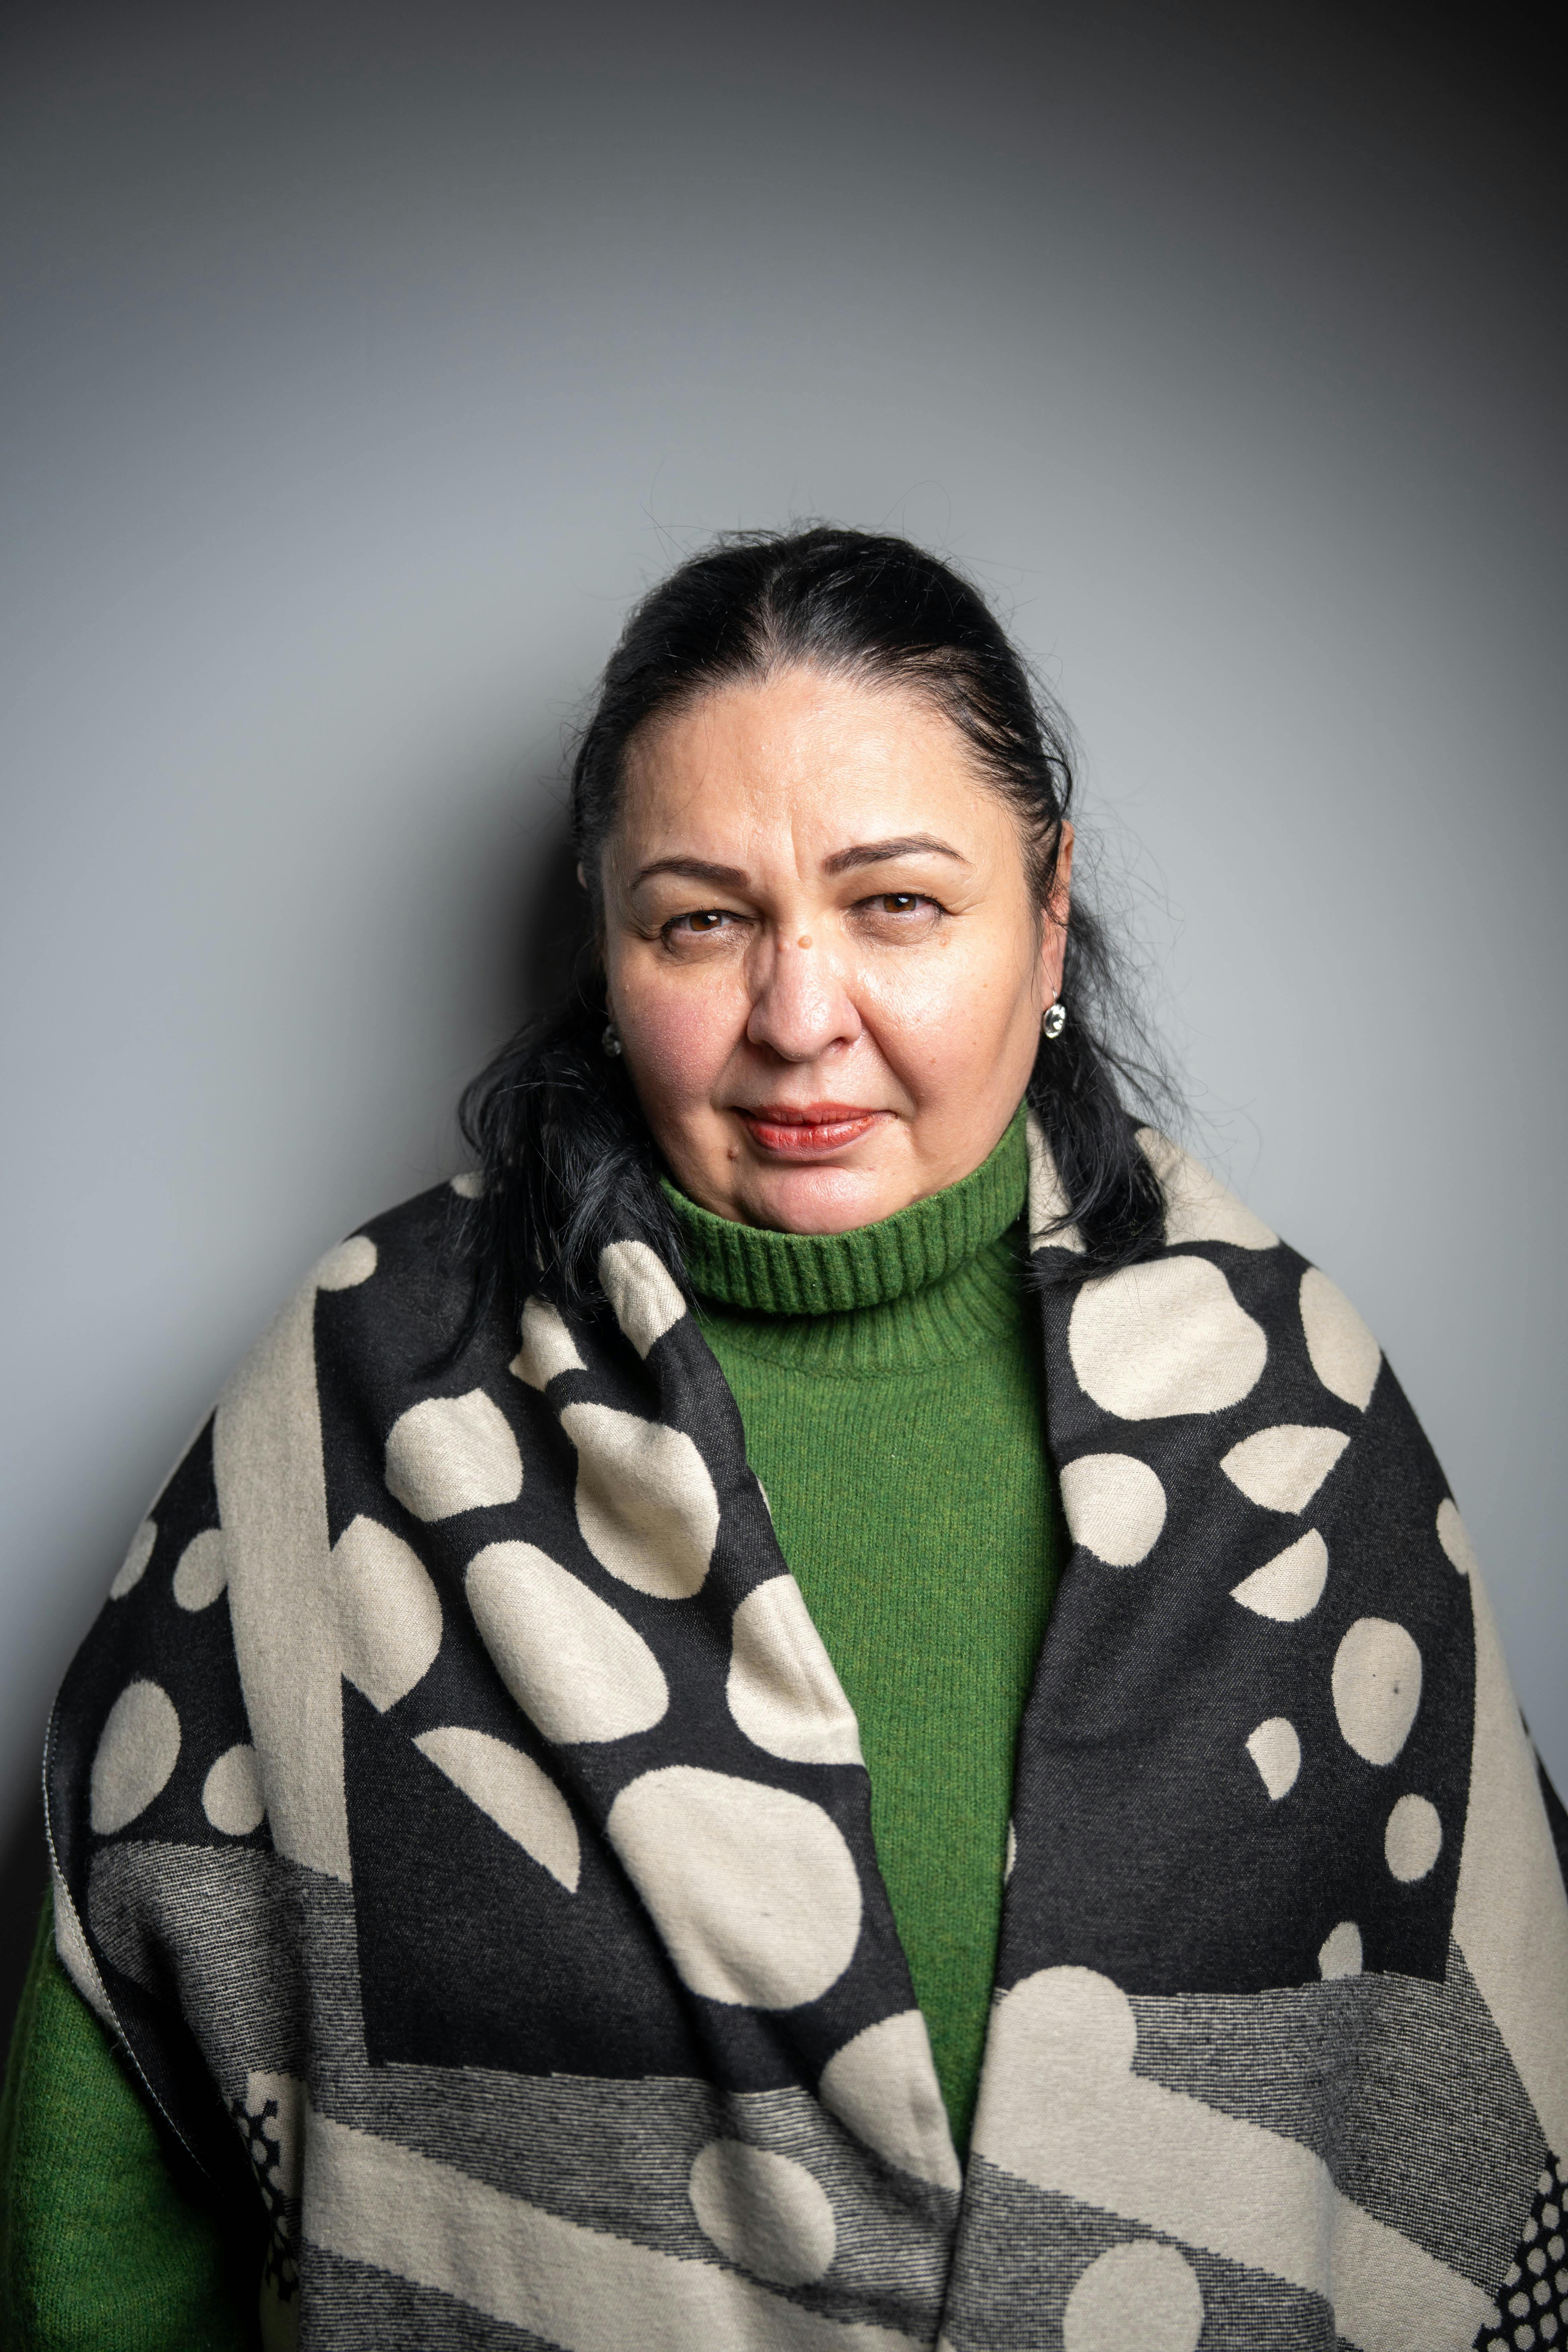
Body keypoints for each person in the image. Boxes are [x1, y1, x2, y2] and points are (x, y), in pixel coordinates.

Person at [3, 526, 1565, 2351]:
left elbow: (1480, 2082)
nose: (799, 1019)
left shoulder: (1291, 1408)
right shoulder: (375, 1391)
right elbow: (96, 2151)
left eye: (898, 904)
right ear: (606, 946)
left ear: (1047, 914)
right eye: (702, 921)